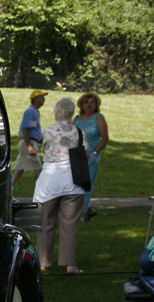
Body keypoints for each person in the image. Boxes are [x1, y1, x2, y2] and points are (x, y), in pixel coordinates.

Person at [33, 97, 84, 275]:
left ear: (56, 113)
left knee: (45, 222)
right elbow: (86, 156)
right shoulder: (79, 132)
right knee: (70, 224)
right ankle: (70, 265)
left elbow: (41, 148)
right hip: (73, 180)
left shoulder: (46, 131)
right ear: (71, 113)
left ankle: (43, 262)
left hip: (49, 180)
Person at [74, 92, 109, 220]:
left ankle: (79, 213)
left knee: (86, 186)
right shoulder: (77, 118)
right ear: (81, 104)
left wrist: (95, 153)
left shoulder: (99, 118)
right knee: (75, 186)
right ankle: (89, 210)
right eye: (86, 103)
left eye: (92, 103)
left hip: (91, 157)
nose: (89, 105)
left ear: (96, 104)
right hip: (77, 156)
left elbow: (104, 139)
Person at [12, 90, 46, 189]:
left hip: (30, 142)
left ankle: (8, 190)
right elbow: (25, 128)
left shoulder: (35, 111)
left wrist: (42, 142)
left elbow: (34, 129)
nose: (44, 99)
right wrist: (29, 145)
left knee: (19, 170)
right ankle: (42, 191)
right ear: (35, 99)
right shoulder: (31, 111)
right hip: (29, 142)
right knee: (38, 168)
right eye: (41, 97)